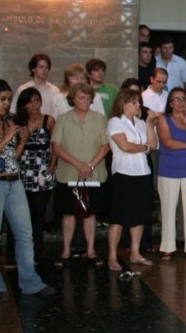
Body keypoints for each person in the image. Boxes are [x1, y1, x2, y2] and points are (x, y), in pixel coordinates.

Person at [0, 79, 55, 300]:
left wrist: (20, 142)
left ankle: (30, 281)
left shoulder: (9, 121)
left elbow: (13, 158)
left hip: (14, 181)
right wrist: (6, 139)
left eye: (9, 99)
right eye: (3, 99)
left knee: (25, 234)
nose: (7, 103)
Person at [51, 83, 110, 269]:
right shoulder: (62, 119)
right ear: (73, 99)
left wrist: (90, 165)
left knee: (89, 213)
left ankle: (91, 250)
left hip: (94, 173)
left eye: (88, 98)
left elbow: (105, 145)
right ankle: (66, 250)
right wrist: (78, 164)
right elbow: (57, 147)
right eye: (81, 98)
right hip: (69, 172)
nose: (85, 101)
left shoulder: (100, 119)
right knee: (68, 212)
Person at [106, 89, 158, 271]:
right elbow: (125, 146)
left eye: (138, 102)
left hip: (142, 172)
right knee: (119, 216)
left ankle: (135, 252)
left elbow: (153, 145)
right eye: (134, 102)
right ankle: (112, 256)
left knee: (140, 214)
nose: (138, 105)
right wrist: (144, 148)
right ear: (123, 104)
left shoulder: (141, 123)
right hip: (124, 173)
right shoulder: (115, 122)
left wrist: (150, 124)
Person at [6, 88, 57, 266]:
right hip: (22, 170)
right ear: (23, 104)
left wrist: (52, 165)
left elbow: (56, 144)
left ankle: (36, 254)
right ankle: (13, 256)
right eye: (29, 102)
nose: (34, 105)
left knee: (38, 215)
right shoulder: (16, 122)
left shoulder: (48, 120)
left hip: (42, 171)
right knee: (18, 215)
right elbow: (11, 150)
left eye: (36, 101)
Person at [156, 87, 186, 261]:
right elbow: (167, 142)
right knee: (168, 208)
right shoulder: (163, 119)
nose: (179, 102)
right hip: (168, 168)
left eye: (182, 99)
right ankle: (167, 247)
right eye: (176, 99)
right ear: (170, 103)